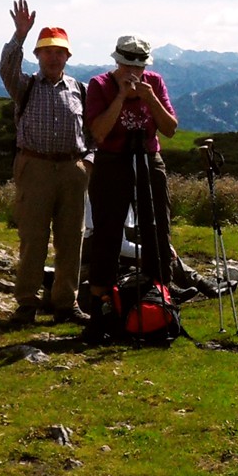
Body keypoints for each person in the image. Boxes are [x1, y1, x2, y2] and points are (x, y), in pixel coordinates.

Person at [0, 0, 91, 325]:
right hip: (34, 168)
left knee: (71, 238)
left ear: (67, 56)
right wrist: (19, 35)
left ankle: (67, 302)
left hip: (72, 169)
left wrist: (87, 162)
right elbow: (6, 69)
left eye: (59, 52)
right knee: (33, 238)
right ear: (37, 56)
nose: (53, 57)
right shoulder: (25, 85)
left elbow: (92, 131)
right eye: (47, 51)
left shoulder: (80, 90)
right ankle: (26, 303)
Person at [84, 36, 180, 299]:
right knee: (108, 228)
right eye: (127, 66)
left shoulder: (155, 82)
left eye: (139, 68)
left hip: (149, 156)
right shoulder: (99, 85)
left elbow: (170, 128)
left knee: (157, 224)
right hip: (112, 160)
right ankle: (101, 296)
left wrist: (151, 99)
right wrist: (121, 97)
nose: (134, 73)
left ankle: (161, 291)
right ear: (116, 62)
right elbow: (99, 133)